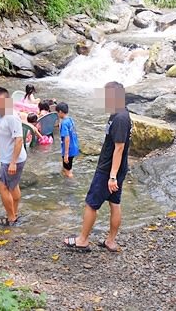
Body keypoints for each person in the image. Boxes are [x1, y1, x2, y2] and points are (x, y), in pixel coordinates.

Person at [64, 82, 131, 252]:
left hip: (109, 170)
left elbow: (119, 147)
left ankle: (82, 240)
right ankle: (110, 241)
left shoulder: (121, 118)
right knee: (114, 203)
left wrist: (112, 176)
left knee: (91, 204)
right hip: (115, 168)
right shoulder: (117, 114)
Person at [0, 87, 27, 226]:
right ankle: (15, 213)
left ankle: (11, 218)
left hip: (13, 159)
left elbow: (19, 140)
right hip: (7, 157)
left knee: (2, 187)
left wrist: (13, 163)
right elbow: (6, 136)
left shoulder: (12, 116)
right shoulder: (1, 115)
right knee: (13, 186)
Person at [57, 102, 79, 178]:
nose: (57, 114)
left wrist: (66, 154)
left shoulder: (64, 123)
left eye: (57, 112)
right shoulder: (70, 120)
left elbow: (67, 138)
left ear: (60, 112)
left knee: (68, 171)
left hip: (68, 150)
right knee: (68, 167)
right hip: (74, 147)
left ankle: (71, 185)